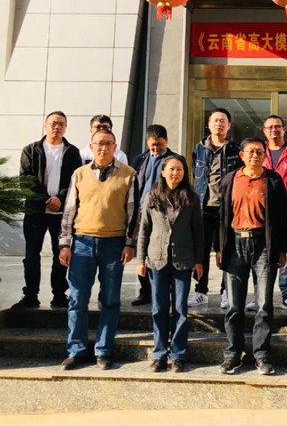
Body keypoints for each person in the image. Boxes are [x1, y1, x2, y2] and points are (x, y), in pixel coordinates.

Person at [58, 128, 139, 370]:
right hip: (82, 243)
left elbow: (133, 213)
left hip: (114, 243)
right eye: (99, 143)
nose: (103, 148)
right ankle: (76, 349)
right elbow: (69, 211)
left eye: (108, 143)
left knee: (111, 299)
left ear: (115, 147)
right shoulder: (79, 174)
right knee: (77, 299)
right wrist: (65, 244)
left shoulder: (128, 174)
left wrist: (130, 243)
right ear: (91, 146)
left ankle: (103, 350)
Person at [217, 136, 287, 375]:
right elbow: (222, 216)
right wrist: (219, 247)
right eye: (250, 151)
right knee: (234, 305)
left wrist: (281, 248)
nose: (255, 155)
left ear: (265, 154)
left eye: (259, 151)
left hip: (263, 245)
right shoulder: (230, 179)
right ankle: (233, 353)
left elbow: (281, 217)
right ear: (242, 155)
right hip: (235, 244)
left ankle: (262, 354)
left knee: (264, 304)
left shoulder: (273, 180)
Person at [136, 154, 204, 372]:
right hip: (157, 260)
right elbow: (144, 230)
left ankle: (178, 354)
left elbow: (198, 231)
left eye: (180, 169)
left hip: (183, 260)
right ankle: (159, 354)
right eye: (171, 169)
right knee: (158, 308)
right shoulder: (152, 196)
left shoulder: (191, 198)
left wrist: (199, 260)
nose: (175, 173)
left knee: (180, 308)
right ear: (163, 172)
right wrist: (141, 259)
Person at [12, 111, 82, 309]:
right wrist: (45, 200)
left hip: (62, 214)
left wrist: (60, 198)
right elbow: (26, 181)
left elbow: (76, 180)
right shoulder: (31, 150)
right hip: (35, 211)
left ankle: (59, 294)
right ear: (45, 125)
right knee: (31, 255)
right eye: (53, 123)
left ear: (65, 128)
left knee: (61, 254)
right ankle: (30, 295)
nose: (57, 127)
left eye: (61, 124)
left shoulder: (72, 152)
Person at [253, 114, 287, 314]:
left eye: (278, 126)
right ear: (264, 131)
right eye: (270, 127)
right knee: (261, 255)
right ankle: (259, 296)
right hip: (263, 210)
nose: (274, 130)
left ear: (284, 129)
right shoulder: (259, 151)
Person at [191, 108, 243, 309]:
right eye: (215, 121)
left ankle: (225, 291)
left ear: (229, 125)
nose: (219, 124)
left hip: (228, 207)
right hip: (204, 206)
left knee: (226, 249)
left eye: (223, 121)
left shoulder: (236, 149)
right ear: (209, 124)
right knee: (201, 251)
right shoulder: (199, 149)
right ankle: (200, 291)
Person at [130, 124, 176, 306]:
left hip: (164, 213)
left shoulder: (174, 160)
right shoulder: (140, 159)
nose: (156, 148)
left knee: (162, 252)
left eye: (160, 144)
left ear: (167, 141)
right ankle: (145, 291)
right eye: (152, 145)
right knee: (143, 251)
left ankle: (164, 290)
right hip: (142, 211)